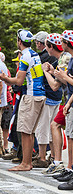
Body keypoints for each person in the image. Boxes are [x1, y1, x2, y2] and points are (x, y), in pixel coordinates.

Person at [0, 29, 46, 171]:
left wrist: (5, 79)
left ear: (19, 41)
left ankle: (26, 163)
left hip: (31, 96)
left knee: (25, 131)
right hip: (39, 94)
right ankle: (27, 162)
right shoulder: (35, 54)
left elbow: (19, 81)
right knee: (30, 131)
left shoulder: (25, 56)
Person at [41, 30, 73, 190]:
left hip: (67, 100)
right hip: (67, 100)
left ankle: (60, 164)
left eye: (46, 46)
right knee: (64, 131)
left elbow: (55, 85)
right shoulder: (66, 58)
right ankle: (66, 167)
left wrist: (47, 72)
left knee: (58, 128)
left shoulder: (65, 58)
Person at [33, 32, 63, 168]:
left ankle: (42, 157)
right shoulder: (59, 59)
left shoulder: (47, 58)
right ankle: (54, 158)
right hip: (59, 98)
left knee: (44, 128)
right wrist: (52, 71)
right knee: (53, 127)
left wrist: (45, 71)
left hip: (48, 95)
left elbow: (55, 85)